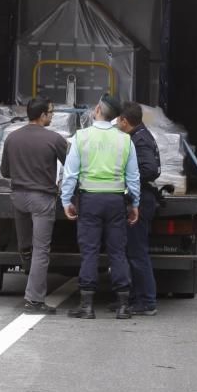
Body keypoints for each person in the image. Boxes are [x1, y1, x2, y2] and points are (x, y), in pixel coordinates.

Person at [61, 94, 140, 320]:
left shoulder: (81, 137)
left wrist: (66, 201)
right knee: (117, 251)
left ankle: (86, 305)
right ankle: (123, 305)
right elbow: (133, 177)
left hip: (90, 201)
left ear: (97, 109)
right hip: (116, 201)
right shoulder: (125, 140)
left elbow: (70, 174)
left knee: (90, 252)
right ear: (116, 117)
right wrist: (134, 203)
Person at [0, 96, 68, 314]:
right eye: (51, 112)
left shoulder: (12, 138)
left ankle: (28, 273)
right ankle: (34, 300)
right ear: (42, 115)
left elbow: (5, 172)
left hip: (18, 197)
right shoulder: (54, 139)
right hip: (41, 199)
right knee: (41, 250)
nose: (52, 115)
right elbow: (72, 165)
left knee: (26, 246)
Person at [115, 101, 161, 316]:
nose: (116, 123)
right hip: (139, 198)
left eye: (118, 120)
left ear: (125, 121)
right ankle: (133, 299)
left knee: (137, 252)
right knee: (130, 251)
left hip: (141, 199)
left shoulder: (140, 140)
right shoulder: (138, 135)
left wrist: (127, 179)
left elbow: (150, 170)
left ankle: (147, 301)